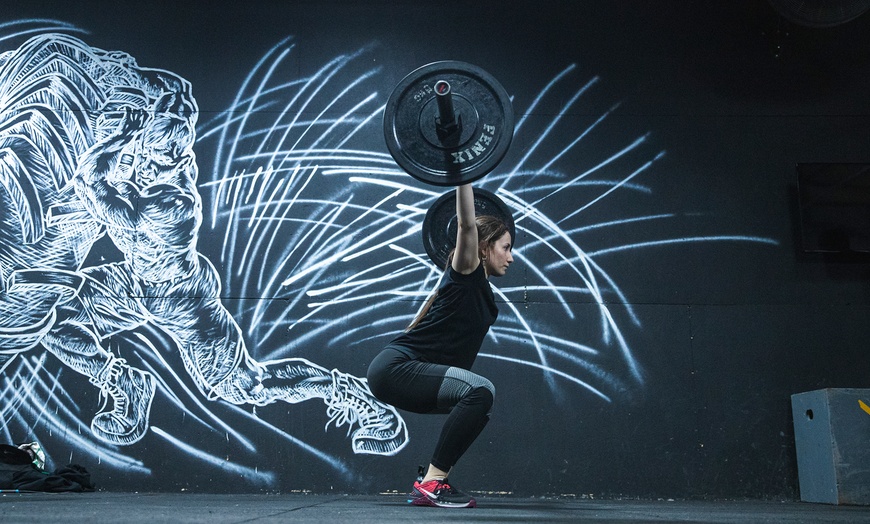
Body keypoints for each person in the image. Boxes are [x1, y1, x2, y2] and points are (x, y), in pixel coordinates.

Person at [38, 87, 407, 455]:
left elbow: (90, 183)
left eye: (154, 157)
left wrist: (119, 138)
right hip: (134, 282)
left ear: (172, 157)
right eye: (144, 154)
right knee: (48, 316)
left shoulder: (173, 204)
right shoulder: (157, 156)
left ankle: (356, 397)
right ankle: (123, 381)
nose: (144, 164)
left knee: (247, 386)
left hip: (183, 301)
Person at [367, 183, 514, 508]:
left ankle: (431, 480)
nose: (511, 257)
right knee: (481, 390)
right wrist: (463, 171)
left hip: (403, 375)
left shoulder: (479, 289)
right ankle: (434, 481)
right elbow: (465, 225)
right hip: (394, 369)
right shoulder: (466, 272)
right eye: (505, 247)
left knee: (479, 403)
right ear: (484, 247)